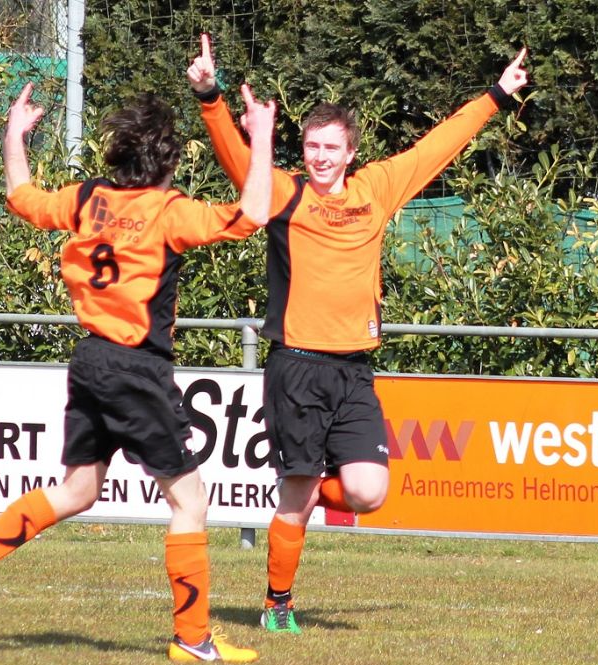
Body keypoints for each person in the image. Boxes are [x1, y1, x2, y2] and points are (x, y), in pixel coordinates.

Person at [187, 34, 528, 634]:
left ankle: (306, 491)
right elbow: (240, 162)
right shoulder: (284, 193)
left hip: (353, 371)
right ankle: (277, 604)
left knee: (369, 493)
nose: (319, 156)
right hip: (296, 366)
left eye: (330, 147)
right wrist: (211, 98)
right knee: (296, 497)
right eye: (311, 146)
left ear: (351, 152)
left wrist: (496, 96)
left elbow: (436, 146)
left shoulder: (376, 189)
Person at [0, 81, 275, 663]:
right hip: (137, 367)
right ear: (168, 163)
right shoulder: (168, 211)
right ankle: (193, 640)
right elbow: (254, 213)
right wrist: (260, 137)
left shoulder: (90, 199)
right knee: (191, 501)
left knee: (79, 490)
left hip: (91, 360)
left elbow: (21, 196)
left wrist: (14, 134)